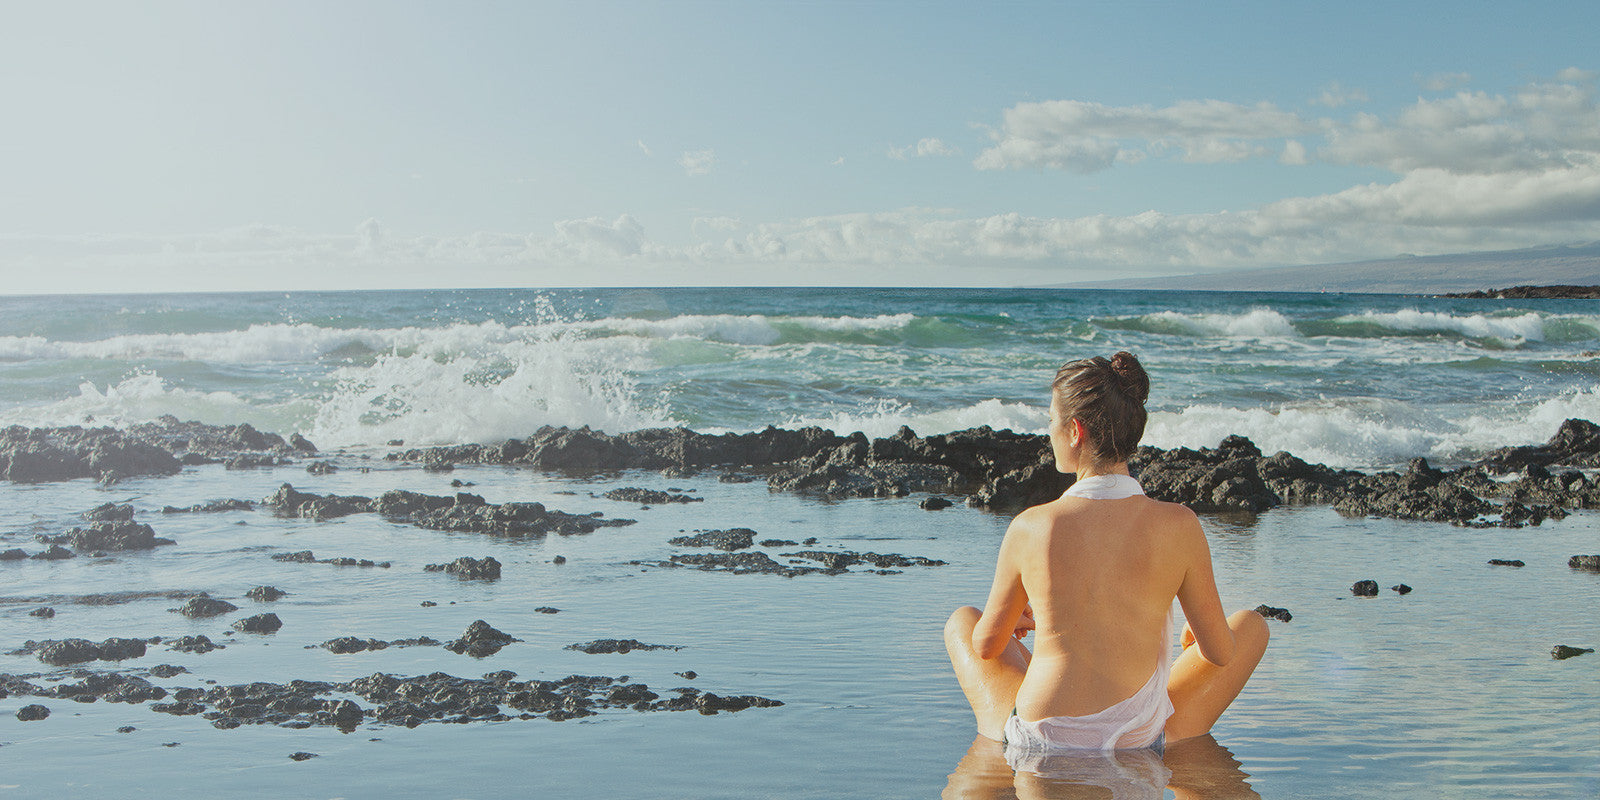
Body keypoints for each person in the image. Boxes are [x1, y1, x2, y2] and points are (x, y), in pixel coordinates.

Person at [944, 351, 1268, 757]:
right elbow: (1220, 653)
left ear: (1075, 430)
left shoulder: (1031, 526)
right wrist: (1192, 638)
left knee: (964, 622)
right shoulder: (1180, 524)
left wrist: (1017, 622)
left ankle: (987, 769)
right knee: (1250, 626)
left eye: (1051, 422)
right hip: (1138, 738)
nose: (1049, 433)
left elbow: (987, 646)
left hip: (1042, 736)